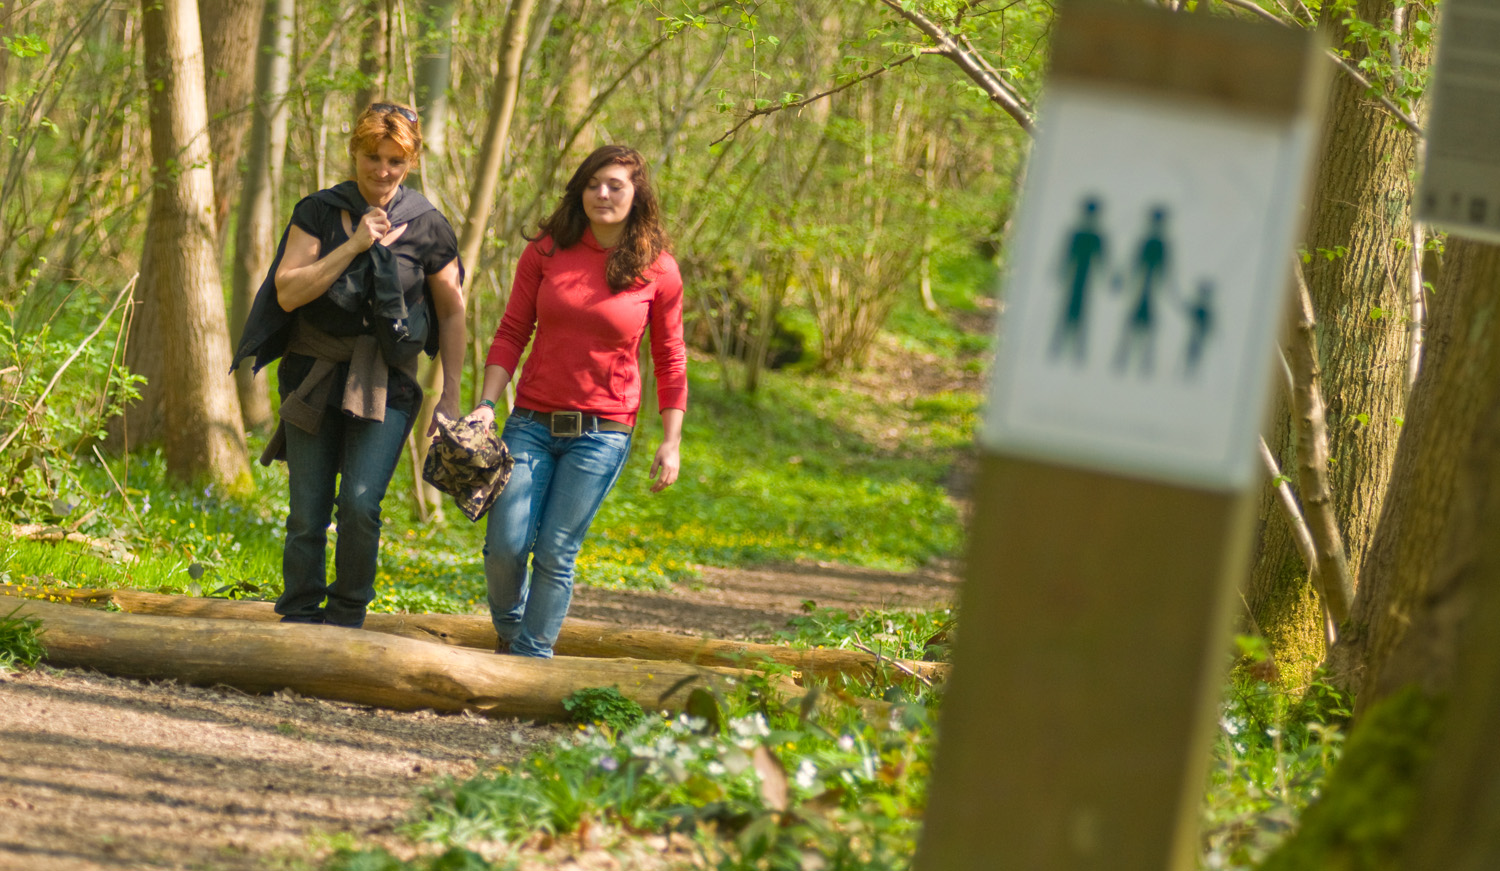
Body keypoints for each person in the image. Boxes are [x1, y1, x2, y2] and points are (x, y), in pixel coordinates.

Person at [231, 101, 465, 628]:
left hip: (388, 380)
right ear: (353, 152)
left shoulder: (428, 226)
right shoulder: (317, 211)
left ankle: (346, 617)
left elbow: (452, 313)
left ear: (411, 162)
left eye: (395, 161)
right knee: (308, 511)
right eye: (372, 157)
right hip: (313, 373)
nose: (382, 171)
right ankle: (299, 616)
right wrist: (356, 244)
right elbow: (288, 293)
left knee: (360, 504)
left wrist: (449, 395)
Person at [469, 144, 686, 658]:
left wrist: (671, 440)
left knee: (556, 551)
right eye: (593, 183)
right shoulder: (545, 251)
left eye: (616, 185)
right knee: (506, 546)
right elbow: (512, 330)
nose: (603, 193)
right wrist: (485, 404)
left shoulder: (659, 270)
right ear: (579, 190)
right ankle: (512, 630)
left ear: (637, 196)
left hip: (603, 432)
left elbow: (671, 358)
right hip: (531, 422)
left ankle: (531, 659)